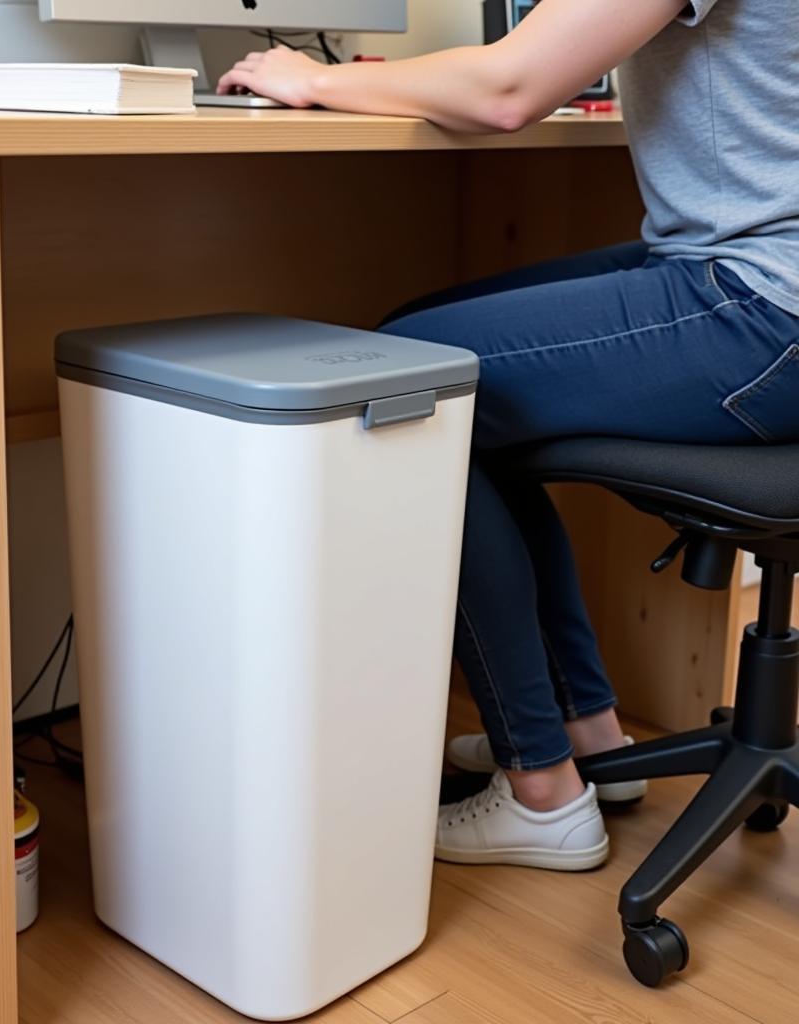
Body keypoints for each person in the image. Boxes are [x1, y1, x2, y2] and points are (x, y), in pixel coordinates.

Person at [218, 0, 799, 869]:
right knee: (422, 338)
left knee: (416, 380)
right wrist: (382, 81)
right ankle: (589, 733)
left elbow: (507, 90)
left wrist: (309, 77)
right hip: (759, 289)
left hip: (762, 311)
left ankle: (541, 789)